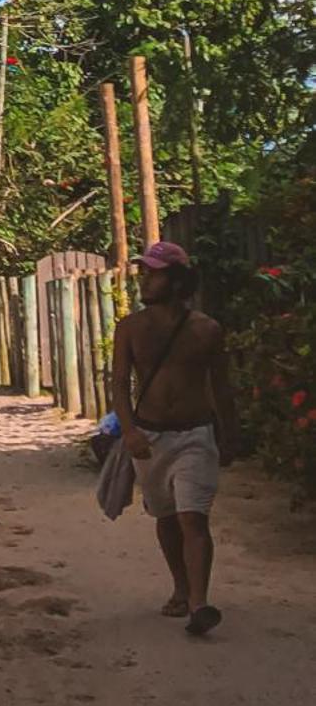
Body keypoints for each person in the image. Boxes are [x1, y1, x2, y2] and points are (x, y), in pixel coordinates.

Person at [110, 240, 239, 638]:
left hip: (196, 434)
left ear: (178, 280)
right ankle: (181, 588)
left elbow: (221, 387)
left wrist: (230, 436)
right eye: (144, 272)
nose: (145, 280)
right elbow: (117, 384)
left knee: (193, 517)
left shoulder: (207, 330)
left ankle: (199, 604)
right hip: (149, 437)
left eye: (155, 273)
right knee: (166, 517)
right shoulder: (130, 328)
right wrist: (129, 430)